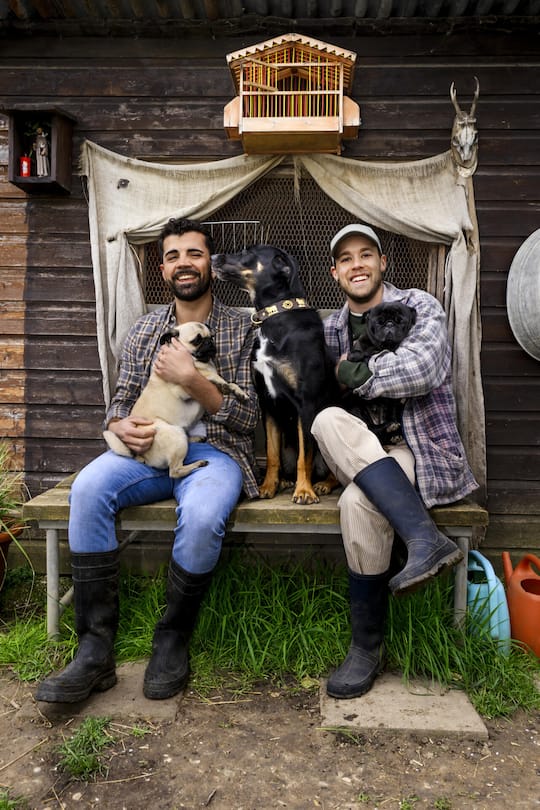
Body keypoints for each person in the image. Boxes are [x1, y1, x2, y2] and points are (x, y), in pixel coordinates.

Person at [37, 218, 260, 703]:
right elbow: (120, 403)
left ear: (211, 265)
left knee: (202, 516)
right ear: (163, 268)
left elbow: (248, 418)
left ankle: (172, 640)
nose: (185, 263)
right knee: (89, 488)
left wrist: (195, 379)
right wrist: (118, 426)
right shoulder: (146, 330)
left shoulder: (241, 327)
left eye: (195, 254)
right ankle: (94, 653)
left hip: (214, 453)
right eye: (175, 255)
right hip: (149, 450)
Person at [311, 224, 478, 700]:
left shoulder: (420, 305)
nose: (357, 264)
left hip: (415, 447)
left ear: (383, 263)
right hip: (359, 444)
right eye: (346, 259)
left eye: (366, 254)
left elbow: (422, 370)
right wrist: (345, 375)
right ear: (335, 272)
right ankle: (425, 539)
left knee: (356, 506)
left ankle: (366, 646)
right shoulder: (330, 328)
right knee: (325, 419)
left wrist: (355, 371)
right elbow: (321, 387)